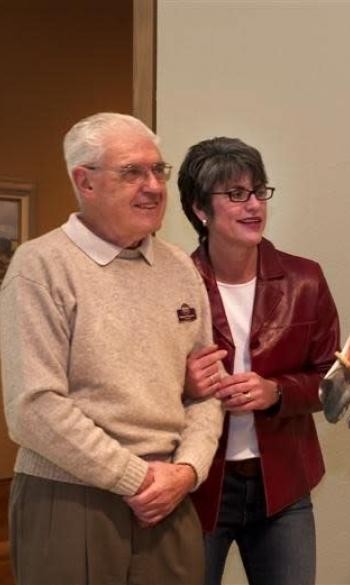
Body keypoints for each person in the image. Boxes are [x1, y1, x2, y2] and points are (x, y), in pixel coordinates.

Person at [0, 113, 224, 583]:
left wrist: (187, 471)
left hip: (170, 502)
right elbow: (33, 407)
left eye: (157, 171)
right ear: (85, 182)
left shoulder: (181, 267)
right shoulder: (39, 266)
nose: (153, 186)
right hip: (69, 498)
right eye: (132, 172)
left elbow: (206, 390)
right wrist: (136, 478)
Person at [178, 136, 340, 585]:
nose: (253, 205)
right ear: (199, 210)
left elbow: (331, 379)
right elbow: (136, 384)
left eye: (258, 191)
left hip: (283, 486)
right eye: (235, 194)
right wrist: (185, 386)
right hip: (197, 485)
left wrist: (276, 392)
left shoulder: (304, 279)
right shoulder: (173, 285)